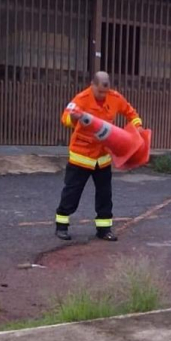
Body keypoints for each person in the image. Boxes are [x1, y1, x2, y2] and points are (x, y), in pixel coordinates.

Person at [54, 70, 143, 243]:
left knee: (104, 195)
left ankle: (104, 229)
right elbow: (65, 118)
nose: (103, 95)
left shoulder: (115, 98)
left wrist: (137, 128)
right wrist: (72, 118)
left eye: (106, 91)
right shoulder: (81, 98)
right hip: (81, 156)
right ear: (92, 85)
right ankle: (61, 226)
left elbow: (131, 113)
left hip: (102, 157)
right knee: (72, 193)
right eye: (100, 91)